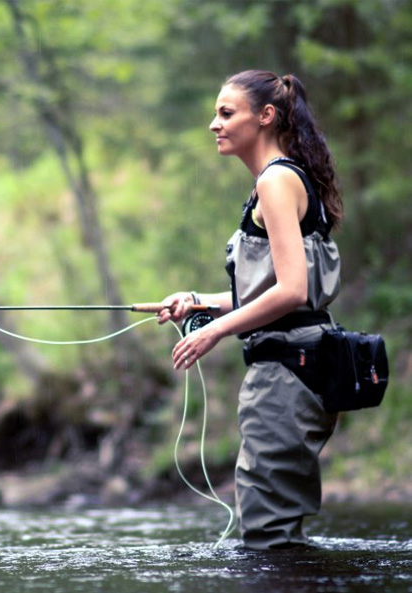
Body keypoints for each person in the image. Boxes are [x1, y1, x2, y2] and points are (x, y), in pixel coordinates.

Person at [157, 70, 344, 550]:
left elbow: (291, 292)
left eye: (226, 113)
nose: (213, 125)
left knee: (267, 533)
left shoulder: (276, 182)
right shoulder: (283, 178)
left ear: (265, 117)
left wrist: (211, 332)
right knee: (278, 528)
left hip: (287, 374)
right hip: (303, 366)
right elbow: (272, 289)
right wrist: (199, 303)